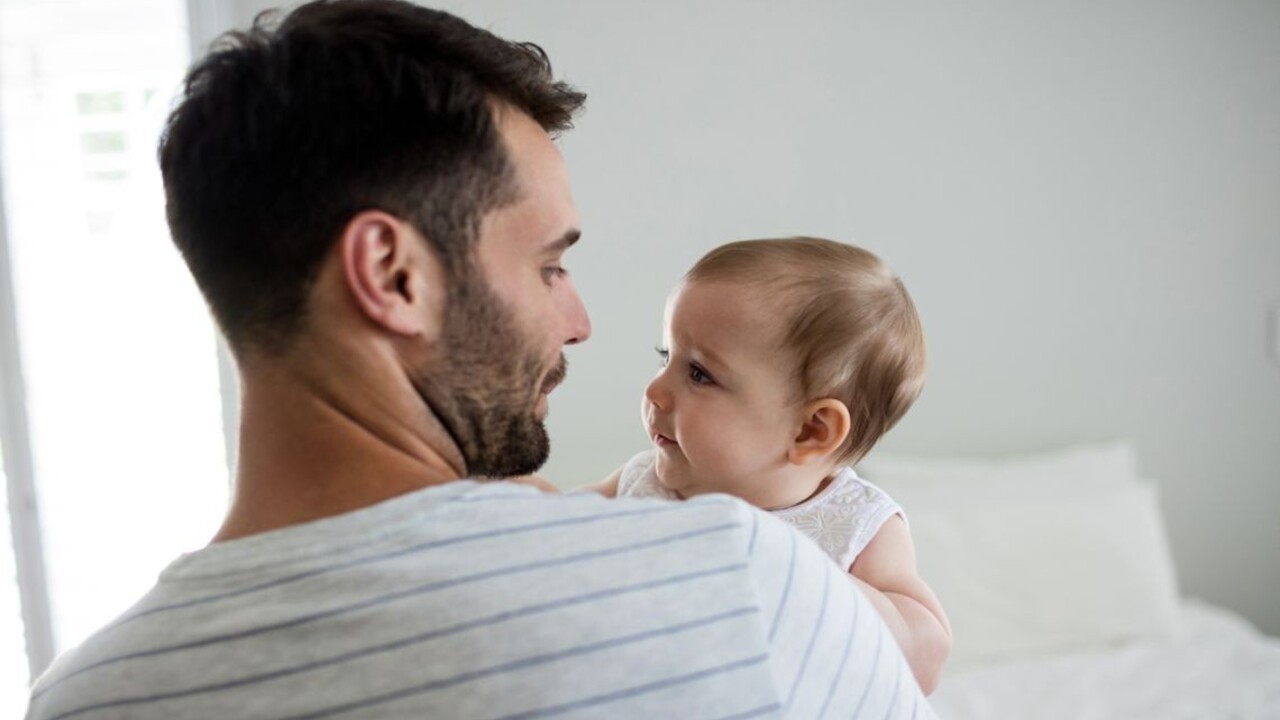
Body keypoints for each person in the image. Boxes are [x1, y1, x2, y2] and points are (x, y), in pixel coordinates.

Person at [26, 2, 934, 717]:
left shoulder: (83, 700)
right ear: (393, 276)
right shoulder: (744, 586)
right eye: (549, 266)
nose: (579, 323)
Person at [588, 237, 952, 693]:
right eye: (666, 358)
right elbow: (541, 534)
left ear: (811, 431)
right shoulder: (640, 485)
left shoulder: (855, 524)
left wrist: (802, 574)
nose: (654, 391)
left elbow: (924, 658)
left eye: (699, 374)